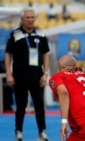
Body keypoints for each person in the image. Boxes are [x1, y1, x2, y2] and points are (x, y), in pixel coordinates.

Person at [4, 7, 50, 141]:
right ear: (22, 19)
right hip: (19, 77)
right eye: (27, 18)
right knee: (20, 105)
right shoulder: (15, 34)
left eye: (32, 17)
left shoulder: (41, 35)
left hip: (37, 77)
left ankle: (42, 132)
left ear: (35, 18)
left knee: (39, 105)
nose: (29, 20)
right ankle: (18, 132)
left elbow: (46, 55)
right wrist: (9, 74)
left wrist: (45, 73)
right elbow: (8, 55)